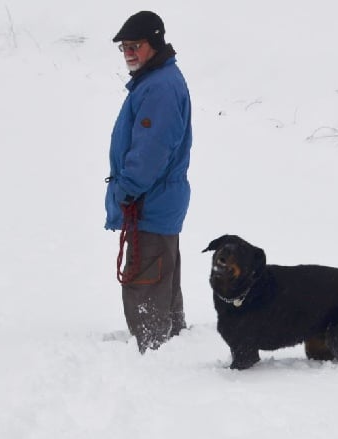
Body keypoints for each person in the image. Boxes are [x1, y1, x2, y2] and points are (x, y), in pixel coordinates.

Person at [105, 11, 192, 353]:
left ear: (155, 43)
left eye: (135, 45)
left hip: (149, 200)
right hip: (160, 200)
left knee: (145, 280)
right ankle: (172, 343)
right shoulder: (158, 80)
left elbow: (151, 150)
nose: (129, 52)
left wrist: (127, 189)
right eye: (124, 47)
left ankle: (152, 351)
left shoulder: (159, 88)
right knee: (162, 276)